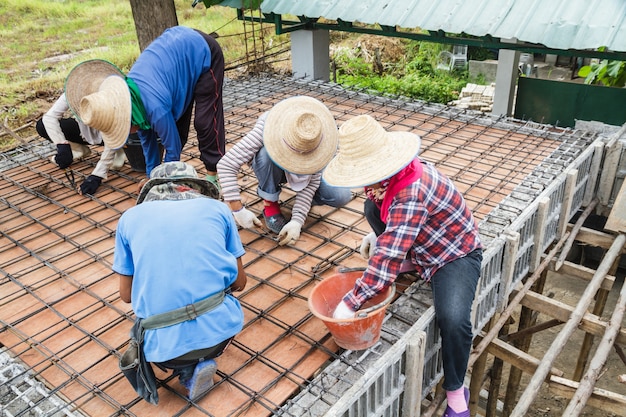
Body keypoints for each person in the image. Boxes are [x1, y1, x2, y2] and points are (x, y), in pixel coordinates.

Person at [323, 115, 482, 417]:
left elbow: (383, 265)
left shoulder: (410, 192)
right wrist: (378, 233)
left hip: (453, 253)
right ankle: (408, 254)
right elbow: (385, 211)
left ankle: (456, 392)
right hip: (422, 240)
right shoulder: (388, 180)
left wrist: (350, 303)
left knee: (453, 319)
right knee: (372, 206)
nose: (365, 182)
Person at [113, 161, 247, 401]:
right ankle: (202, 360)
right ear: (194, 187)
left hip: (164, 352)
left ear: (152, 191)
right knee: (220, 294)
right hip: (223, 331)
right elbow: (239, 282)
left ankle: (185, 371)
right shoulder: (218, 209)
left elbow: (126, 296)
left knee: (145, 321)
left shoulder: (129, 219)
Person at [65, 25, 225, 189]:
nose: (126, 137)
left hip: (203, 50)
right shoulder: (133, 106)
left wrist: (164, 182)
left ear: (127, 120)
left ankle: (213, 175)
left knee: (205, 122)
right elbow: (148, 143)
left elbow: (172, 147)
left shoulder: (155, 109)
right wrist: (152, 176)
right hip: (178, 58)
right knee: (177, 127)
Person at [216, 96, 352, 246]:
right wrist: (238, 210)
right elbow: (226, 164)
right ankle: (270, 202)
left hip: (305, 165)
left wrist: (297, 220)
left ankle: (302, 203)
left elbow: (312, 182)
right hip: (273, 165)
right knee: (265, 156)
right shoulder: (268, 126)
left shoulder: (320, 137)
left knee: (340, 196)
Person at [36, 91, 126, 195]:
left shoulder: (114, 94)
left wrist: (97, 175)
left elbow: (116, 131)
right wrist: (62, 145)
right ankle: (78, 149)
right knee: (42, 126)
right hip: (85, 131)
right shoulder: (74, 90)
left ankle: (119, 151)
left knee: (127, 135)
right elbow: (50, 117)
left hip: (115, 133)